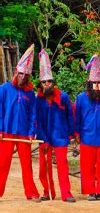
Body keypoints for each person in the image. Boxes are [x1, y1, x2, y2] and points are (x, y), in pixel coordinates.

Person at [0, 44, 41, 202]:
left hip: (24, 133)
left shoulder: (30, 94)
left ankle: (31, 193)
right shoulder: (3, 89)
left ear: (28, 76)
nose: (22, 77)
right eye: (20, 73)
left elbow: (33, 115)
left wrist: (31, 132)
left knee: (26, 164)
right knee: (2, 164)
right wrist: (0, 129)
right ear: (16, 72)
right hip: (7, 132)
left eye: (25, 74)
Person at [75, 54, 100, 201]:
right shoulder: (81, 98)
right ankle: (90, 192)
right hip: (86, 137)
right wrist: (76, 132)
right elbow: (77, 117)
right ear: (90, 83)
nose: (97, 85)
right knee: (87, 166)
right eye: (94, 83)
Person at [36, 50, 75, 202]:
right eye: (44, 82)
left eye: (49, 82)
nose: (47, 84)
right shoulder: (38, 99)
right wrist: (42, 139)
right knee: (43, 167)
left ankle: (66, 193)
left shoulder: (63, 97)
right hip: (44, 137)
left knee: (62, 165)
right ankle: (47, 192)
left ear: (54, 83)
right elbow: (37, 121)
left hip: (60, 136)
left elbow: (70, 116)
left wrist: (71, 134)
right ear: (41, 84)